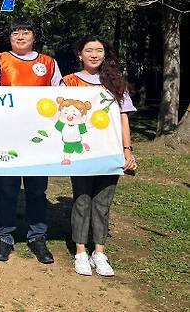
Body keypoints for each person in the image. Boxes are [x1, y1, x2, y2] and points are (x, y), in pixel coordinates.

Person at [0, 18, 62, 264]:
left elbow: (60, 96)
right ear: (9, 37)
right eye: (15, 32)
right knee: (6, 189)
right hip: (7, 137)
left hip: (38, 139)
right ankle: (4, 237)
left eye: (25, 32)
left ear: (34, 36)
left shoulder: (48, 63)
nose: (20, 36)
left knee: (37, 190)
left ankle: (37, 236)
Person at [62, 36, 137, 277]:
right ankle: (81, 252)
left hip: (109, 152)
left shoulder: (115, 83)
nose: (94, 54)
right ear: (79, 54)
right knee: (82, 200)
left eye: (99, 50)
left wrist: (127, 150)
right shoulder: (68, 83)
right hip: (81, 153)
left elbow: (123, 117)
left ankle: (100, 252)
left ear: (105, 54)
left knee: (103, 203)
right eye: (89, 50)